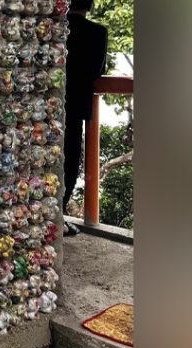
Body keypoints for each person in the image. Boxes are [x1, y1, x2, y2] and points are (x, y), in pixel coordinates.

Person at [63, 0, 108, 236]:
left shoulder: (56, 29)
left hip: (48, 101)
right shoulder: (98, 32)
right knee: (69, 161)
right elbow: (97, 70)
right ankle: (58, 216)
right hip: (76, 105)